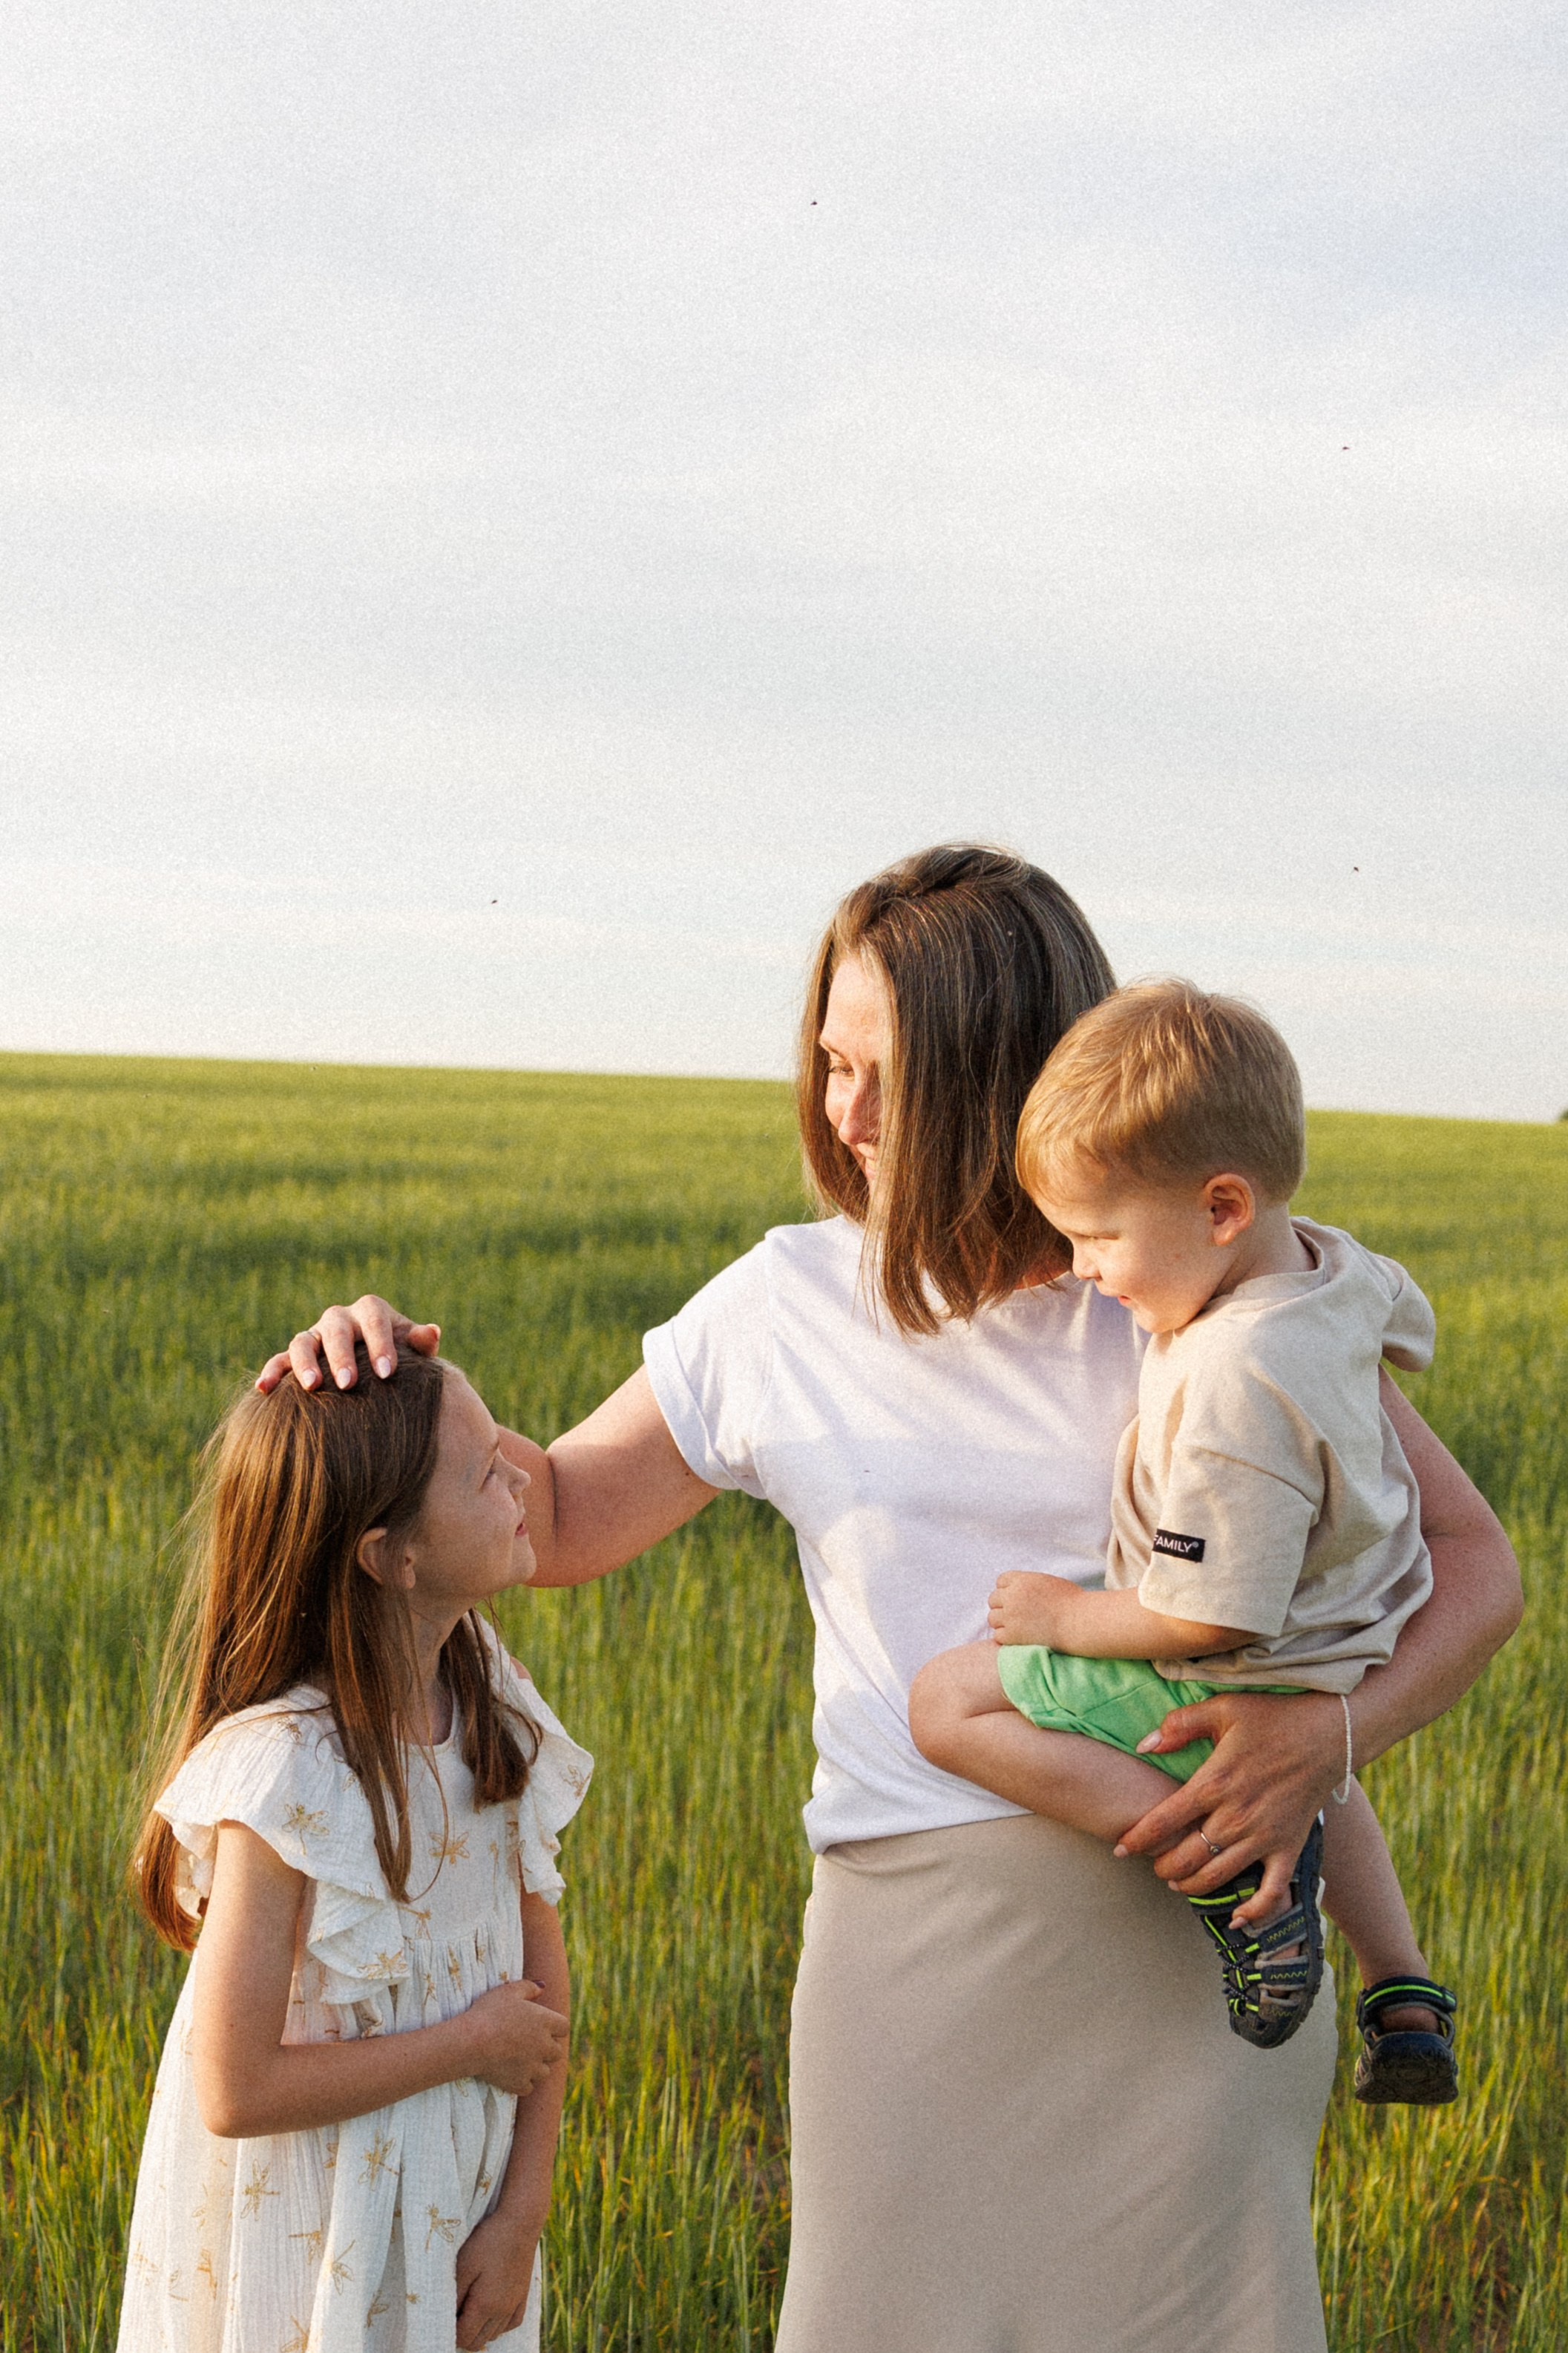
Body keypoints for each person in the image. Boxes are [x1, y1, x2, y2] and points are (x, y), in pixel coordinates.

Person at [263, 845, 1521, 2353]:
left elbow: (1476, 1565)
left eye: (891, 1077)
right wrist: (382, 1381)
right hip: (906, 1962)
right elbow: (551, 1515)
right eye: (829, 1063)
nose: (843, 1115)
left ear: (1001, 1083)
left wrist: (1330, 1733)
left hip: (1209, 1954)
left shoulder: (1198, 1290)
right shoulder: (785, 1304)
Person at [910, 980, 1459, 2095]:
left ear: (1219, 1209)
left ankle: (1218, 1863)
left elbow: (1213, 1610)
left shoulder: (1227, 1382)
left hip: (1226, 1668)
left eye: (1099, 1235)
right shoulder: (1330, 1265)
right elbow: (1409, 1322)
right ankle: (1400, 1985)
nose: (1082, 1269)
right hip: (1340, 1646)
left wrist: (1062, 1615)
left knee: (946, 1699)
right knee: (1324, 1780)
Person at [117, 1345, 591, 2353]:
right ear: (390, 1555)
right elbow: (236, 2086)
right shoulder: (286, 1774)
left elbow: (538, 1986)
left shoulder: (488, 1698)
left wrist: (520, 2217)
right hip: (307, 2233)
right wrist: (465, 2045)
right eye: (483, 1471)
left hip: (454, 2217)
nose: (520, 1475)